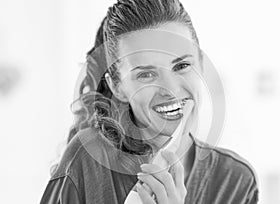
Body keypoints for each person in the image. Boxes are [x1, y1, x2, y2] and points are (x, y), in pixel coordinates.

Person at [40, 0, 259, 203]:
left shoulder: (235, 180)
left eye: (182, 66)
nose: (171, 90)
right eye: (146, 75)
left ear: (200, 65)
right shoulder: (86, 162)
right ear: (117, 86)